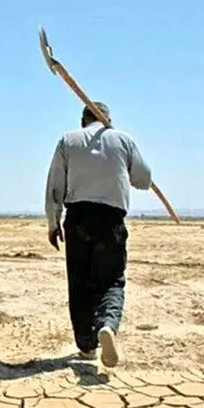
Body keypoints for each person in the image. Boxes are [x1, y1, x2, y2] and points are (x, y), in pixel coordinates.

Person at [44, 102, 152, 367]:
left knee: (79, 283)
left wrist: (52, 222)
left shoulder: (68, 141)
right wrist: (121, 161)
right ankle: (106, 325)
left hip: (78, 220)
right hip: (110, 220)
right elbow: (144, 180)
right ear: (107, 119)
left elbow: (55, 186)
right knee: (111, 280)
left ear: (83, 120)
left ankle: (86, 346)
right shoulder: (123, 141)